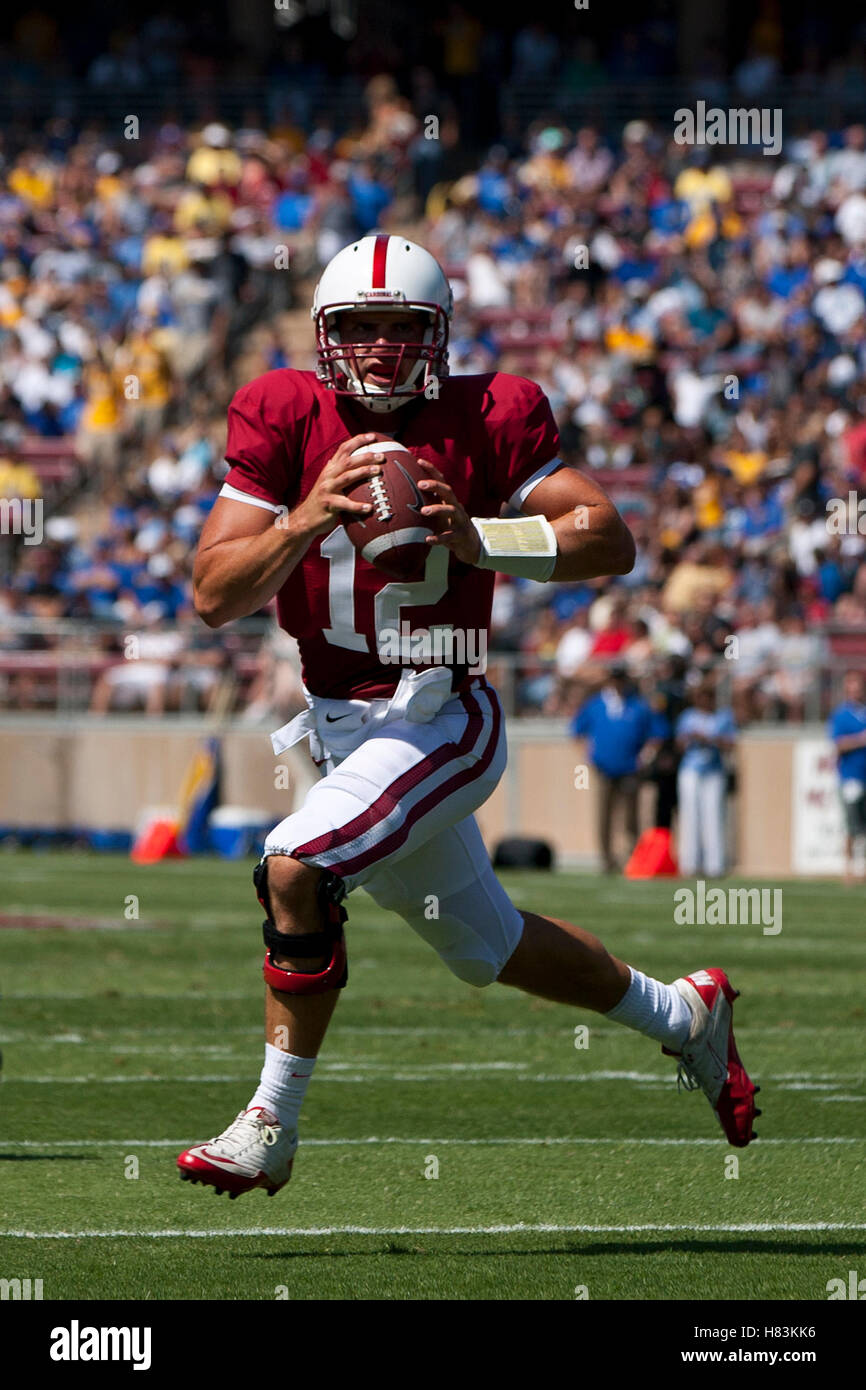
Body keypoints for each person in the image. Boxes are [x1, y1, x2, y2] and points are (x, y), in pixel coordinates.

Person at [177, 235, 758, 1199]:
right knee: (487, 948)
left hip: (444, 711)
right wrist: (305, 516)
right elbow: (211, 593)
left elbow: (607, 537)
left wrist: (483, 535)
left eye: (398, 327)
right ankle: (686, 1016)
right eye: (356, 329)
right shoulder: (281, 411)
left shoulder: (494, 412)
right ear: (325, 338)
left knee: (297, 866)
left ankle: (270, 1122)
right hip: (341, 730)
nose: (376, 349)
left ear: (436, 333)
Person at [571, 663, 657, 872]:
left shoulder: (637, 705)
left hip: (629, 768)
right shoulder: (596, 704)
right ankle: (606, 860)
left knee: (630, 816)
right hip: (604, 768)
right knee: (604, 815)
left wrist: (645, 756)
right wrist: (587, 754)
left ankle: (632, 858)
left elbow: (655, 734)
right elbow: (577, 730)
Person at [675, 680, 738, 878]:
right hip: (691, 770)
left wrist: (710, 739)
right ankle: (690, 864)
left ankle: (714, 865)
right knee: (690, 816)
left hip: (714, 771)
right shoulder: (688, 717)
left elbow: (731, 744)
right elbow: (679, 744)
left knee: (713, 816)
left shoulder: (722, 717)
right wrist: (690, 738)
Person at [828, 669, 866, 885]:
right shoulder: (841, 715)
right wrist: (861, 740)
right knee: (851, 826)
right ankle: (848, 869)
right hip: (850, 777)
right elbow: (838, 744)